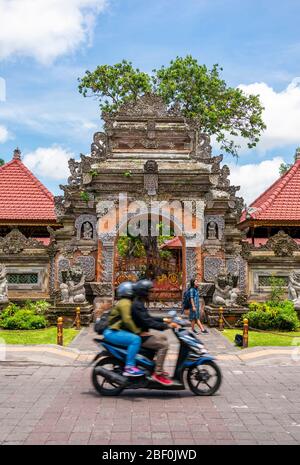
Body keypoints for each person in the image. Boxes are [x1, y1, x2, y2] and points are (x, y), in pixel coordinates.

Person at [131, 279, 180, 386]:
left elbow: (148, 317)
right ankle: (157, 374)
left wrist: (164, 320)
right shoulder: (137, 305)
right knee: (164, 345)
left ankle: (157, 367)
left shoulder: (139, 303)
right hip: (140, 336)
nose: (151, 293)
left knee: (163, 338)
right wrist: (166, 326)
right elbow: (148, 322)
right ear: (143, 292)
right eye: (149, 291)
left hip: (143, 333)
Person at [103, 281, 144, 377]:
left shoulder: (124, 302)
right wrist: (137, 331)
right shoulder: (125, 303)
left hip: (113, 331)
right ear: (129, 291)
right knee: (136, 339)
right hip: (112, 332)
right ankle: (129, 367)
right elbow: (127, 320)